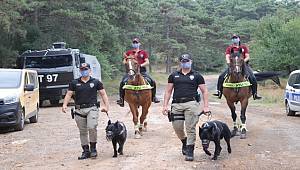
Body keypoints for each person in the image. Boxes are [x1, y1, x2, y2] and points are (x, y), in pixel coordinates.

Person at [162, 54, 210, 161]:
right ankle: (184, 141)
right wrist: (165, 105)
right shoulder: (173, 75)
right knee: (177, 128)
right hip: (176, 104)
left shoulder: (197, 76)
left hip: (191, 104)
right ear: (180, 62)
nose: (185, 63)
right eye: (183, 61)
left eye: (187, 61)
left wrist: (206, 106)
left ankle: (190, 151)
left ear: (191, 61)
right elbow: (168, 91)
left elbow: (204, 91)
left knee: (190, 128)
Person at [62, 63, 109, 160]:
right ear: (80, 71)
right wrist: (64, 105)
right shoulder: (74, 83)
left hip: (92, 108)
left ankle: (93, 149)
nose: (84, 71)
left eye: (86, 69)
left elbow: (103, 94)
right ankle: (85, 151)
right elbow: (68, 94)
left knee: (92, 127)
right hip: (79, 110)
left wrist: (106, 106)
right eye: (82, 69)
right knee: (82, 131)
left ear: (90, 70)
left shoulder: (96, 82)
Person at [213, 34, 262, 100]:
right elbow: (227, 56)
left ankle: (255, 93)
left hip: (244, 65)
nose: (234, 39)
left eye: (236, 38)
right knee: (221, 76)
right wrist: (228, 62)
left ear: (239, 39)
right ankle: (219, 92)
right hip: (232, 65)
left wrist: (243, 62)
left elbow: (247, 57)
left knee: (252, 77)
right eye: (233, 38)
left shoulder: (243, 47)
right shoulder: (229, 48)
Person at [116, 38, 160, 107]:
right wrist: (127, 62)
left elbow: (147, 62)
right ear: (132, 44)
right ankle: (121, 99)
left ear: (139, 44)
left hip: (142, 71)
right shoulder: (129, 53)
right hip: (131, 72)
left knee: (152, 81)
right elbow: (124, 61)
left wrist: (140, 65)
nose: (135, 44)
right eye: (134, 42)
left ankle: (153, 97)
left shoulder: (143, 52)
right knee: (122, 82)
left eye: (136, 42)